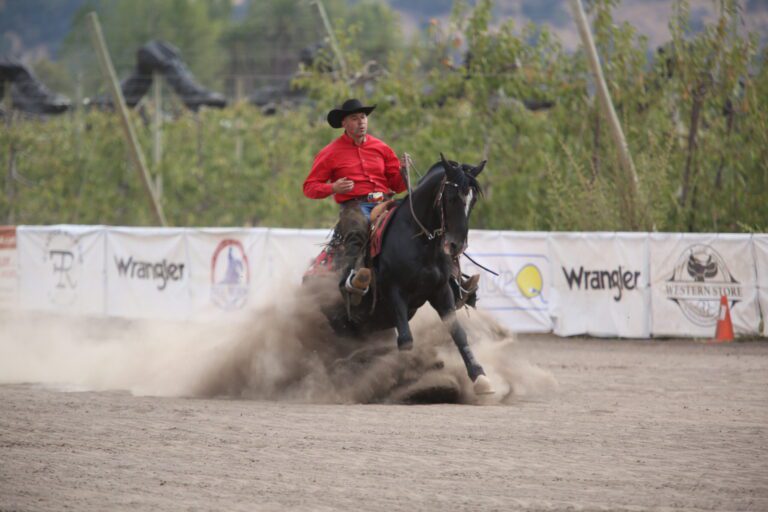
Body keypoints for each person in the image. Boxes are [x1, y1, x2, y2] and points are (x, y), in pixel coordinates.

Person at [303, 99, 407, 302]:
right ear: (344, 123)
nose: (361, 122)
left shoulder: (382, 148)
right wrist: (333, 187)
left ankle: (445, 278)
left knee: (413, 221)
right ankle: (350, 278)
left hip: (385, 202)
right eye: (355, 118)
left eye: (363, 117)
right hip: (354, 205)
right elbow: (309, 187)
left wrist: (403, 173)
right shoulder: (330, 153)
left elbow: (397, 186)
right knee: (357, 229)